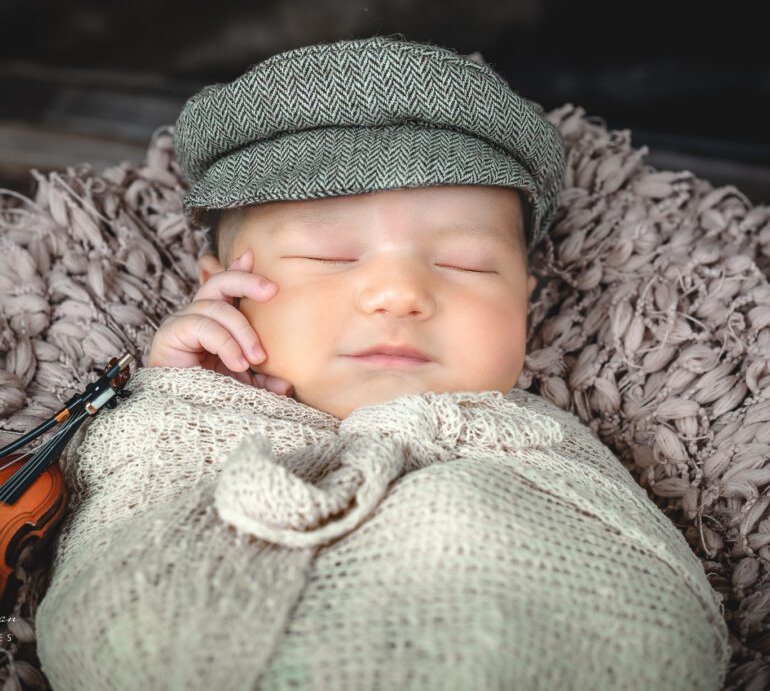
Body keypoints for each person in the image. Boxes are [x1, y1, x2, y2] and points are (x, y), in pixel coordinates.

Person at [34, 35, 731, 691]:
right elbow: (118, 548)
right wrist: (182, 396)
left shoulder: (540, 444)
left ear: (527, 300)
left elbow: (652, 603)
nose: (399, 294)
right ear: (220, 290)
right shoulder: (191, 417)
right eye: (330, 256)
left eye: (467, 264)